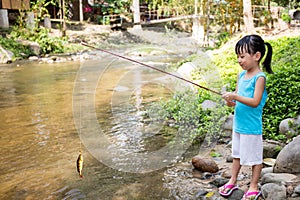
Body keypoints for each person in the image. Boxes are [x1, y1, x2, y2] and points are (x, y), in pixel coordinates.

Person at [219, 34, 273, 200]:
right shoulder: (241, 76)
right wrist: (230, 101)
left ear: (256, 56)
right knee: (237, 155)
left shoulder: (260, 78)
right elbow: (238, 98)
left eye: (242, 56)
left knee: (255, 159)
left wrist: (235, 97)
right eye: (238, 57)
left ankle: (254, 186)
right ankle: (233, 180)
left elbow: (255, 101)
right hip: (239, 124)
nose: (239, 60)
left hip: (251, 126)